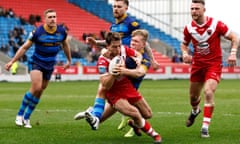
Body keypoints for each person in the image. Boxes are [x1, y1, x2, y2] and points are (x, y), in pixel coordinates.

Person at [84, 32, 162, 143]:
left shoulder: (137, 55)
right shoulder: (102, 61)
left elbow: (139, 72)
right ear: (108, 46)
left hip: (128, 87)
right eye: (114, 47)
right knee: (134, 112)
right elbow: (106, 85)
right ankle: (155, 135)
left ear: (143, 44)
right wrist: (113, 74)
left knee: (147, 114)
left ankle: (94, 113)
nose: (118, 49)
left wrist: (137, 60)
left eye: (119, 46)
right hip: (114, 91)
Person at [5, 9, 72, 128]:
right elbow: (25, 47)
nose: (53, 19)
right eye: (50, 17)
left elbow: (65, 45)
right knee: (36, 87)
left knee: (41, 90)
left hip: (50, 65)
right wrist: (12, 61)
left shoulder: (61, 32)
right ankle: (20, 115)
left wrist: (69, 60)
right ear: (45, 19)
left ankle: (27, 118)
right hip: (36, 62)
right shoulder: (37, 32)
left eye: (54, 17)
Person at [181, 0, 239, 138]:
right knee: (193, 97)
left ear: (204, 10)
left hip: (214, 64)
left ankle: (205, 127)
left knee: (208, 91)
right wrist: (184, 53)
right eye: (192, 8)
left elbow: (234, 38)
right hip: (197, 65)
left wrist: (232, 53)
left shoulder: (216, 24)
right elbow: (184, 44)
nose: (194, 11)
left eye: (197, 8)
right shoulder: (188, 28)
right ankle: (195, 111)